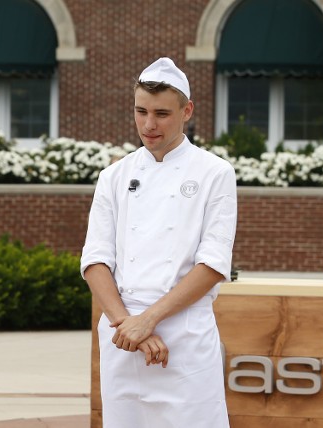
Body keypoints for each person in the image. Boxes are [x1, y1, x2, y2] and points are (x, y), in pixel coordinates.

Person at [81, 57, 237, 427]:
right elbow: (95, 260)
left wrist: (148, 321)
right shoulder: (114, 176)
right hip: (122, 339)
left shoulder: (214, 173)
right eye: (141, 111)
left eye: (162, 114)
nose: (149, 125)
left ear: (187, 111)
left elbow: (213, 265)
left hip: (184, 336)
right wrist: (127, 324)